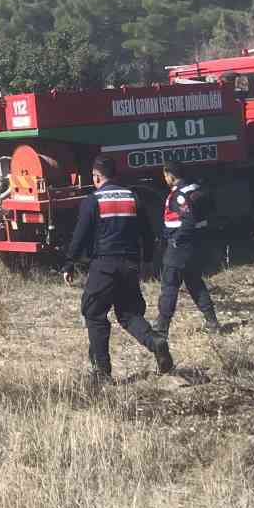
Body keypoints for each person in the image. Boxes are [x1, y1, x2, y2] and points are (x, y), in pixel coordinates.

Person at [62, 155, 173, 382]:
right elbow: (147, 232)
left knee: (94, 314)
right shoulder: (132, 197)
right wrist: (148, 259)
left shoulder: (94, 200)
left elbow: (80, 235)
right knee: (130, 314)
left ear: (96, 176)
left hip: (104, 265)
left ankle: (102, 372)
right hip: (130, 265)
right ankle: (156, 342)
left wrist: (69, 262)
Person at [156, 161, 222, 338]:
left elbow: (188, 220)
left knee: (169, 285)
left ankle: (161, 330)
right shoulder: (195, 188)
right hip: (196, 245)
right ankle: (212, 321)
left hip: (180, 247)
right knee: (194, 282)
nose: (164, 179)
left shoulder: (179, 195)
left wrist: (176, 240)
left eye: (165, 175)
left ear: (170, 175)